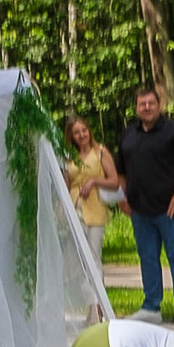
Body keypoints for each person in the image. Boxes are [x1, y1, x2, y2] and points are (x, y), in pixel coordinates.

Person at [118, 85, 174, 326]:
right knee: (147, 257)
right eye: (142, 104)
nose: (146, 108)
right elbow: (121, 170)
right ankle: (151, 306)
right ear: (136, 108)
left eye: (150, 103)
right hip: (139, 210)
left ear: (159, 105)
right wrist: (123, 196)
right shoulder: (128, 135)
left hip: (170, 209)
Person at [63, 115, 120, 273]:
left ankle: (96, 296)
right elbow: (66, 186)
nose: (82, 135)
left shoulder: (100, 152)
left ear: (89, 131)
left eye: (84, 130)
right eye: (77, 132)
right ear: (72, 136)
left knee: (93, 253)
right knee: (76, 255)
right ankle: (82, 295)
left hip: (95, 208)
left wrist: (94, 182)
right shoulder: (69, 157)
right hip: (75, 208)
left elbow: (114, 181)